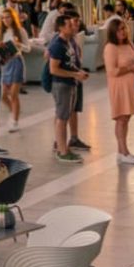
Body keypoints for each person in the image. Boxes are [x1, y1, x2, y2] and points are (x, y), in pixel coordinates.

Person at [44, 12, 89, 161]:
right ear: (61, 28)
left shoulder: (69, 42)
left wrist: (78, 72)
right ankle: (62, 151)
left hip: (70, 83)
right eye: (70, 25)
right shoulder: (57, 45)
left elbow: (70, 63)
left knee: (63, 115)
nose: (74, 27)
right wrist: (75, 75)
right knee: (62, 118)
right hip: (62, 85)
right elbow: (54, 69)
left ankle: (63, 146)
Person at [102, 17, 134, 165]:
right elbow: (112, 71)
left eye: (124, 28)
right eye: (119, 29)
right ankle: (124, 151)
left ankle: (121, 151)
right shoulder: (110, 48)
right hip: (119, 86)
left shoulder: (129, 44)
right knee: (121, 118)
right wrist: (131, 68)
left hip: (130, 87)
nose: (122, 32)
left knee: (127, 118)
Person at [0, 5, 28, 130]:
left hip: (17, 61)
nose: (5, 20)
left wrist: (18, 44)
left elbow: (28, 48)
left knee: (13, 94)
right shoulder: (1, 33)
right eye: (3, 18)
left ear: (13, 18)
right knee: (3, 95)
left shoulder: (20, 31)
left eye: (8, 17)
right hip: (6, 63)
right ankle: (13, 111)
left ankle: (15, 121)